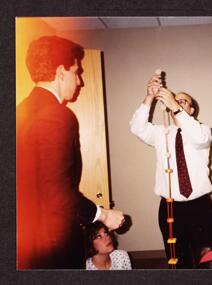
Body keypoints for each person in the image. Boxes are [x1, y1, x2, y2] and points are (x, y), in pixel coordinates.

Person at [16, 36, 125, 269]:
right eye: (77, 72)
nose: (80, 81)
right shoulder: (57, 115)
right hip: (53, 246)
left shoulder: (21, 111)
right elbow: (57, 192)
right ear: (60, 71)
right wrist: (104, 215)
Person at [129, 73, 212, 268]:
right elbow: (137, 128)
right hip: (170, 208)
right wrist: (149, 97)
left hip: (200, 207)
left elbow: (198, 138)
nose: (177, 103)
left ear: (192, 110)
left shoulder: (203, 130)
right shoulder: (161, 133)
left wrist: (175, 107)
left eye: (183, 102)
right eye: (175, 101)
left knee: (209, 259)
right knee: (178, 260)